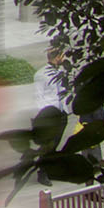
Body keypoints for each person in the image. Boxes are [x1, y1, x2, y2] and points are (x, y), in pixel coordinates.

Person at [33, 46, 67, 186]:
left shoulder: (61, 71)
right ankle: (42, 172)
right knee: (48, 145)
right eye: (62, 56)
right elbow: (38, 96)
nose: (64, 59)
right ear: (57, 57)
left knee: (55, 143)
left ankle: (50, 168)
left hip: (61, 113)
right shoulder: (41, 74)